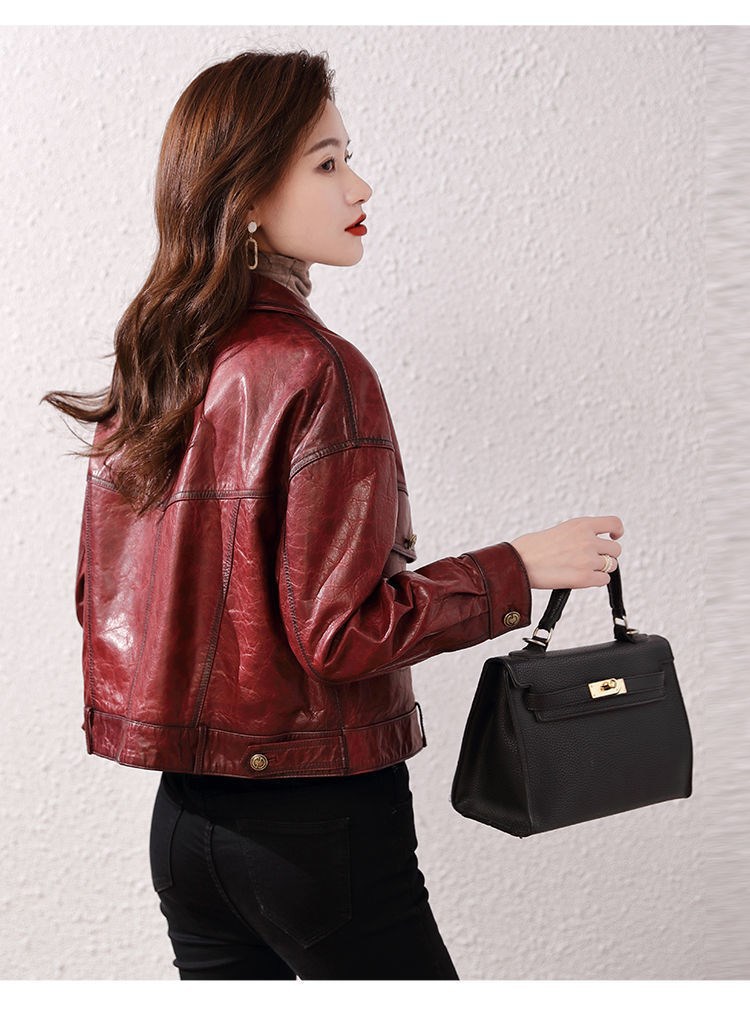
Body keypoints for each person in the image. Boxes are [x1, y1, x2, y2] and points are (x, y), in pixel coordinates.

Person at [42, 49, 624, 981]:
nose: (359, 184)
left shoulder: (157, 363)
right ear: (245, 193)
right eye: (326, 162)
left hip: (184, 827)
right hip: (318, 827)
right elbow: (343, 633)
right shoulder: (320, 371)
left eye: (347, 157)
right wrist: (518, 566)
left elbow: (103, 603)